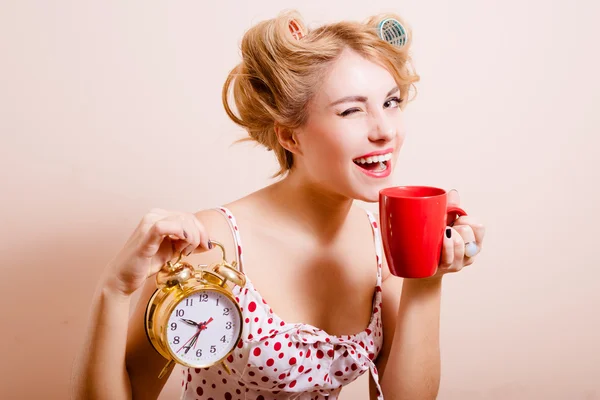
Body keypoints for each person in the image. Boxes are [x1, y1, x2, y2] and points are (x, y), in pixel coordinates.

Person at [71, 9, 486, 400]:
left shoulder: (384, 244)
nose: (385, 131)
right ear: (290, 136)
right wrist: (114, 289)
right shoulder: (213, 246)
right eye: (351, 111)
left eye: (391, 102)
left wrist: (427, 279)